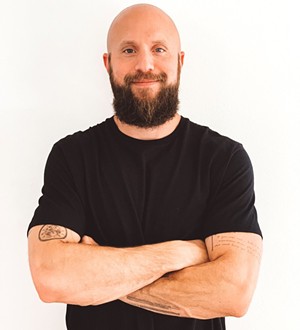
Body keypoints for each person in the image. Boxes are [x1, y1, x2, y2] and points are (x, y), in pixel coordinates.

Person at [27, 3, 262, 330]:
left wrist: (100, 279)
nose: (145, 64)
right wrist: (179, 254)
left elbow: (234, 293)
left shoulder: (223, 160)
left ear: (180, 61)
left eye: (159, 49)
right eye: (128, 50)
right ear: (108, 64)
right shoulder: (72, 156)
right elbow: (52, 278)